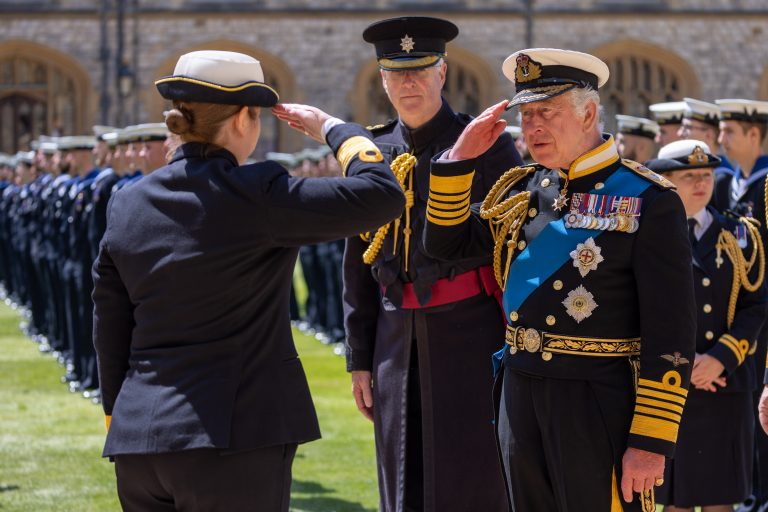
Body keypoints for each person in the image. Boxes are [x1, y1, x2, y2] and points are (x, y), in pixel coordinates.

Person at [92, 49, 404, 512]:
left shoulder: (128, 202)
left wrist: (119, 414)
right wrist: (338, 132)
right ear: (243, 120)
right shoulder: (256, 193)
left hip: (140, 438)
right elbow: (380, 194)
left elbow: (109, 324)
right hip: (233, 436)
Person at [423, 48, 696, 511]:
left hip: (599, 403)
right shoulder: (522, 191)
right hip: (520, 393)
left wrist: (652, 439)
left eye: (546, 112)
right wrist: (458, 158)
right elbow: (444, 246)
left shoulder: (649, 199)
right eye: (526, 115)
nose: (532, 128)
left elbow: (671, 331)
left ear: (588, 113)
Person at [342, 15, 521, 512]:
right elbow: (359, 260)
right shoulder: (374, 152)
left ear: (443, 73)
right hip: (394, 340)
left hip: (470, 334)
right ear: (382, 79)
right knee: (402, 476)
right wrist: (359, 356)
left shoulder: (485, 142)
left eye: (420, 70)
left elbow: (509, 240)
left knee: (472, 478)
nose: (409, 83)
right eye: (397, 73)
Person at [644, 140, 767, 512]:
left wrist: (720, 359)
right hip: (666, 385)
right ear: (665, 180)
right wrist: (684, 364)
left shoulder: (740, 235)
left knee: (720, 499)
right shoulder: (645, 235)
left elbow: (757, 305)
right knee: (670, 499)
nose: (701, 183)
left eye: (707, 175)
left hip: (722, 385)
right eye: (689, 176)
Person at [711, 99, 768, 512]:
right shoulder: (728, 183)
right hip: (740, 307)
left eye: (729, 131)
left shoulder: (765, 184)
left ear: (754, 135)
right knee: (747, 400)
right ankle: (751, 486)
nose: (720, 138)